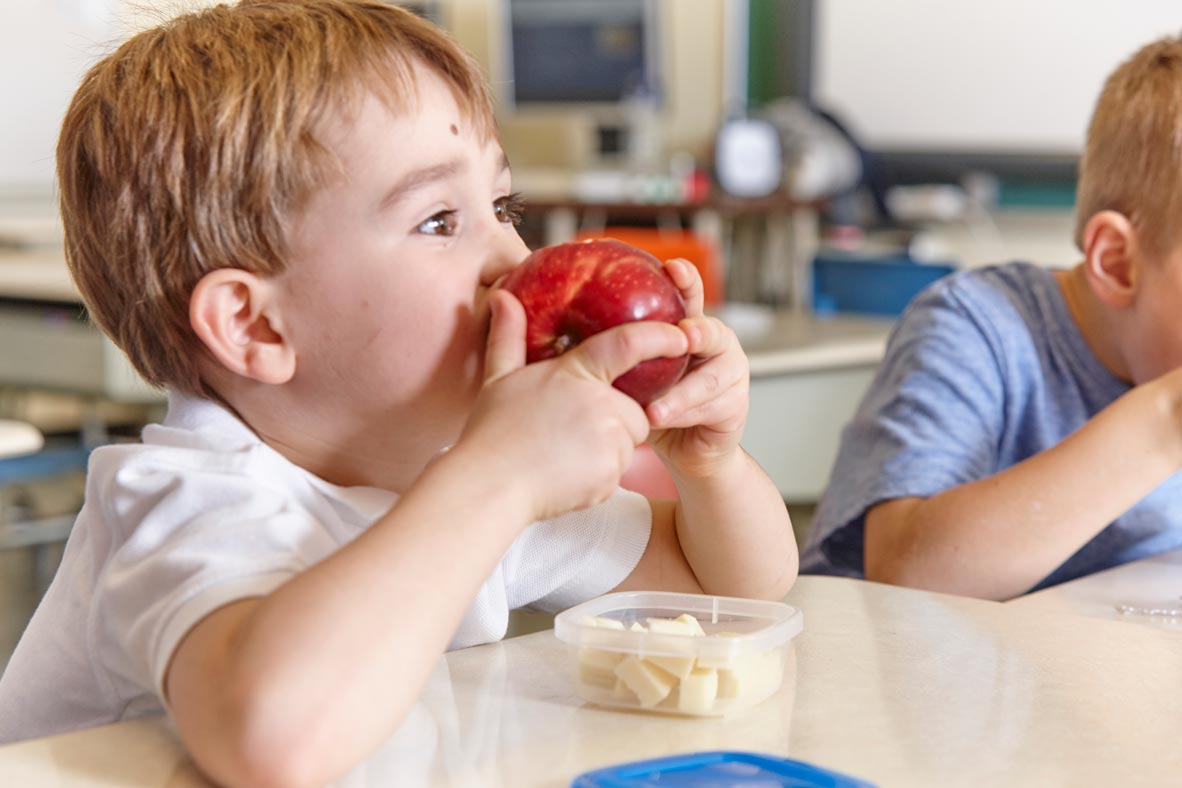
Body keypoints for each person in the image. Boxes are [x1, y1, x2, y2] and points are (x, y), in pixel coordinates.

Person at [0, 2, 798, 785]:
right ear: (256, 329)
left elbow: (727, 590)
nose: (514, 257)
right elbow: (272, 744)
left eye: (502, 206)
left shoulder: (449, 470)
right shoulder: (185, 503)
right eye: (439, 221)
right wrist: (499, 480)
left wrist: (707, 466)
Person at [801, 35, 1182, 601]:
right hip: (883, 673)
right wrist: (1166, 422)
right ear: (1118, 263)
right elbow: (907, 575)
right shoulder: (976, 327)